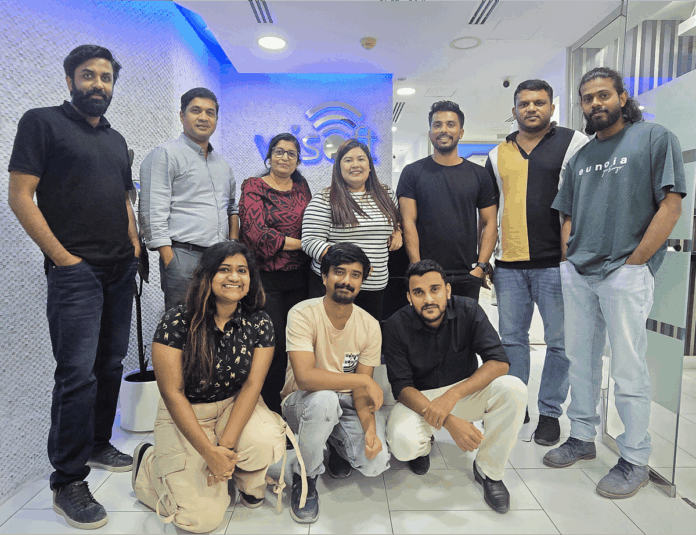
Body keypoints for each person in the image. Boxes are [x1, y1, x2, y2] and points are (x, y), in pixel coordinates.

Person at [7, 45, 139, 530]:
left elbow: (123, 199)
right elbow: (20, 196)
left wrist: (134, 245)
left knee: (110, 364)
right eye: (88, 75)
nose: (98, 84)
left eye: (106, 77)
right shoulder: (41, 123)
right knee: (76, 375)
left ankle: (99, 443)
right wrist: (64, 259)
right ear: (70, 80)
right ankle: (67, 480)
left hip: (120, 269)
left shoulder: (115, 138)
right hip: (76, 274)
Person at [544, 67, 686, 500]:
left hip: (624, 272)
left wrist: (636, 261)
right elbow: (566, 213)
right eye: (588, 98)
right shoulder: (581, 158)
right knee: (580, 359)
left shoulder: (653, 138)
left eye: (603, 95)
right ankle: (581, 436)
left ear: (623, 97)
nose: (595, 104)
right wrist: (569, 258)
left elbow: (671, 205)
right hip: (580, 272)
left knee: (627, 367)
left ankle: (635, 459)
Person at [131, 241, 303, 533]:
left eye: (242, 271)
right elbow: (172, 393)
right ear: (207, 276)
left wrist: (222, 450)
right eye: (224, 269)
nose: (234, 277)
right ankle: (148, 465)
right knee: (201, 521)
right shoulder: (177, 320)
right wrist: (207, 452)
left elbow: (253, 385)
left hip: (234, 405)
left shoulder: (259, 321)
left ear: (251, 279)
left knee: (264, 440)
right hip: (188, 414)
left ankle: (240, 479)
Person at [485, 79, 589, 440]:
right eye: (524, 103)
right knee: (512, 340)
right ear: (514, 110)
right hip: (509, 265)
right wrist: (486, 257)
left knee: (560, 343)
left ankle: (550, 412)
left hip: (555, 263)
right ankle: (517, 406)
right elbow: (490, 212)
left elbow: (583, 199)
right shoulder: (496, 154)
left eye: (539, 102)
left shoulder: (574, 143)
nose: (531, 108)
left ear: (551, 108)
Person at [383, 260, 527, 514]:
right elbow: (402, 388)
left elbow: (499, 362)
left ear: (447, 290)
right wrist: (448, 421)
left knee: (513, 389)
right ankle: (423, 446)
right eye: (419, 292)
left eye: (435, 289)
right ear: (409, 297)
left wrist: (453, 395)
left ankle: (489, 471)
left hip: (464, 392)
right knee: (403, 445)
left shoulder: (468, 310)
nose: (428, 299)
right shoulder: (396, 325)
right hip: (420, 399)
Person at [281, 243, 391, 523]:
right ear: (324, 276)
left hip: (347, 402)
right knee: (325, 400)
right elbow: (305, 377)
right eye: (339, 272)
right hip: (303, 401)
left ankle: (336, 443)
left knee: (375, 463)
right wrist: (362, 380)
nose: (346, 280)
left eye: (355, 275)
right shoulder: (302, 313)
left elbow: (361, 391)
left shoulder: (369, 325)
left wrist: (370, 429)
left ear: (363, 281)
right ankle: (305, 476)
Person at [139, 87, 237, 311]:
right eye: (196, 110)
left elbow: (232, 208)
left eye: (210, 112)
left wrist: (232, 246)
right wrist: (169, 259)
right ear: (182, 116)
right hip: (183, 256)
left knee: (218, 320)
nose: (203, 117)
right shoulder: (165, 154)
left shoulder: (222, 164)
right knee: (183, 323)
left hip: (220, 258)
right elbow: (152, 211)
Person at [238, 133, 312, 414]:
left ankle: (297, 404)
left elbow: (313, 223)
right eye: (279, 152)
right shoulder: (254, 186)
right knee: (274, 344)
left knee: (300, 345)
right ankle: (269, 409)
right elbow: (256, 235)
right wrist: (302, 244)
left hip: (301, 279)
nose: (284, 158)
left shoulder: (302, 187)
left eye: (291, 153)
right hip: (266, 279)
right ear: (268, 157)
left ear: (298, 160)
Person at [397, 101, 497, 301]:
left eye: (451, 124)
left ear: (461, 132)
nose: (443, 129)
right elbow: (408, 223)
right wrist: (418, 268)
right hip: (426, 274)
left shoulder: (479, 174)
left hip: (467, 274)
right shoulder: (412, 173)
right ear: (430, 133)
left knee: (465, 322)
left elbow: (490, 222)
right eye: (437, 125)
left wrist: (481, 267)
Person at [302, 139, 401, 320]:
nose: (355, 164)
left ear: (369, 166)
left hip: (375, 286)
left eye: (361, 159)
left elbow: (395, 220)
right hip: (337, 287)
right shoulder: (324, 199)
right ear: (339, 168)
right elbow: (309, 242)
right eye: (348, 160)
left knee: (367, 334)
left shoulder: (386, 194)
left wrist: (397, 231)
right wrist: (354, 264)